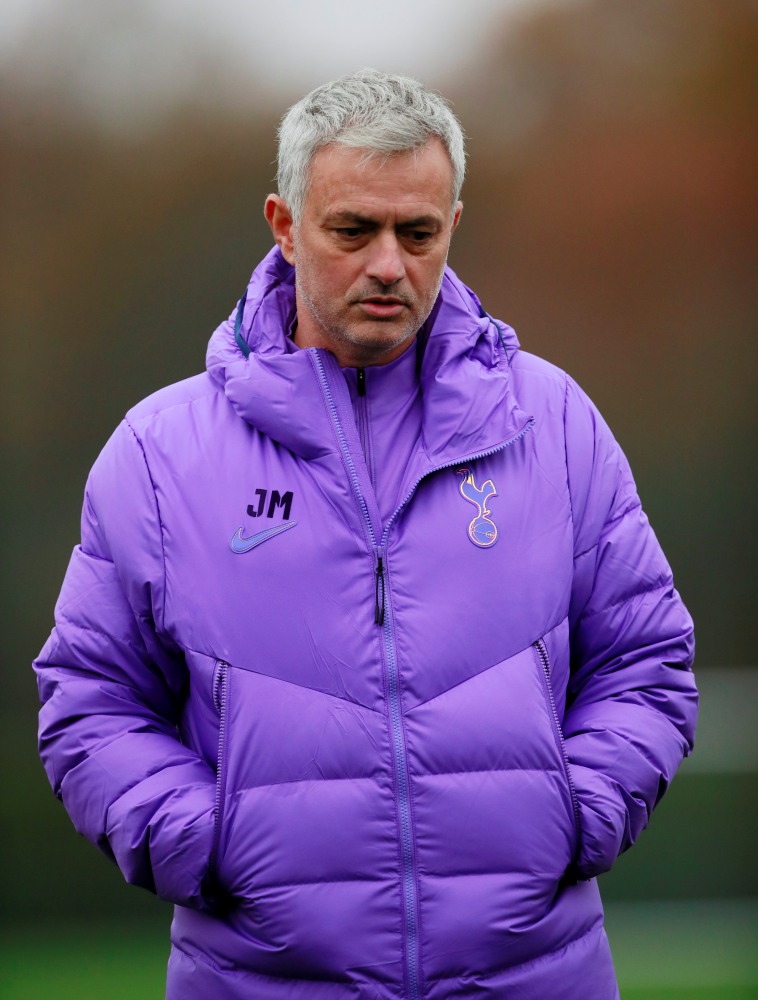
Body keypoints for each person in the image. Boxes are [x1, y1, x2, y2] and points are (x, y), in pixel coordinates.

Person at [34, 69, 697, 999]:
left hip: (534, 975)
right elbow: (89, 699)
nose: (389, 263)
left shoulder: (553, 422)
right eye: (353, 230)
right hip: (258, 980)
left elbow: (646, 660)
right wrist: (202, 840)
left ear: (451, 227)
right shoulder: (159, 452)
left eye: (417, 232)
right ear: (284, 222)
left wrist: (574, 815)